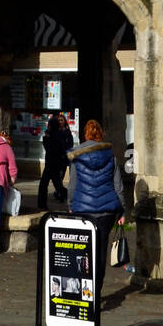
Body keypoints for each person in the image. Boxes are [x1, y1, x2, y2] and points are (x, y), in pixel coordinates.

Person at [66, 119, 125, 282]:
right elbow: (118, 186)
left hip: (83, 210)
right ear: (101, 134)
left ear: (85, 134)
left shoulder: (77, 155)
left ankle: (85, 288)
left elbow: (72, 185)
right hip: (106, 211)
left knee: (83, 250)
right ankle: (97, 288)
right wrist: (122, 210)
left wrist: (70, 205)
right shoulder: (110, 154)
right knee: (100, 251)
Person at [37, 111, 73, 209]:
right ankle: (42, 204)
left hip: (52, 163)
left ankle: (42, 204)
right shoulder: (55, 134)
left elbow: (49, 148)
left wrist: (46, 138)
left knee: (46, 185)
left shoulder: (54, 135)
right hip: (53, 163)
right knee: (56, 185)